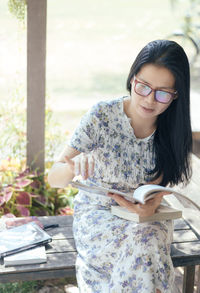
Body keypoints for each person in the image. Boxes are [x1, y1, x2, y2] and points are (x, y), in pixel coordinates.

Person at [48, 39, 192, 293]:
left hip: (147, 220)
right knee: (144, 250)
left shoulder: (172, 130)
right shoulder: (102, 116)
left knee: (147, 240)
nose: (149, 100)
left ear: (176, 94)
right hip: (99, 218)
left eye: (162, 93)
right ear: (132, 78)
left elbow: (156, 190)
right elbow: (54, 178)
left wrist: (151, 206)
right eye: (143, 87)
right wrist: (73, 166)